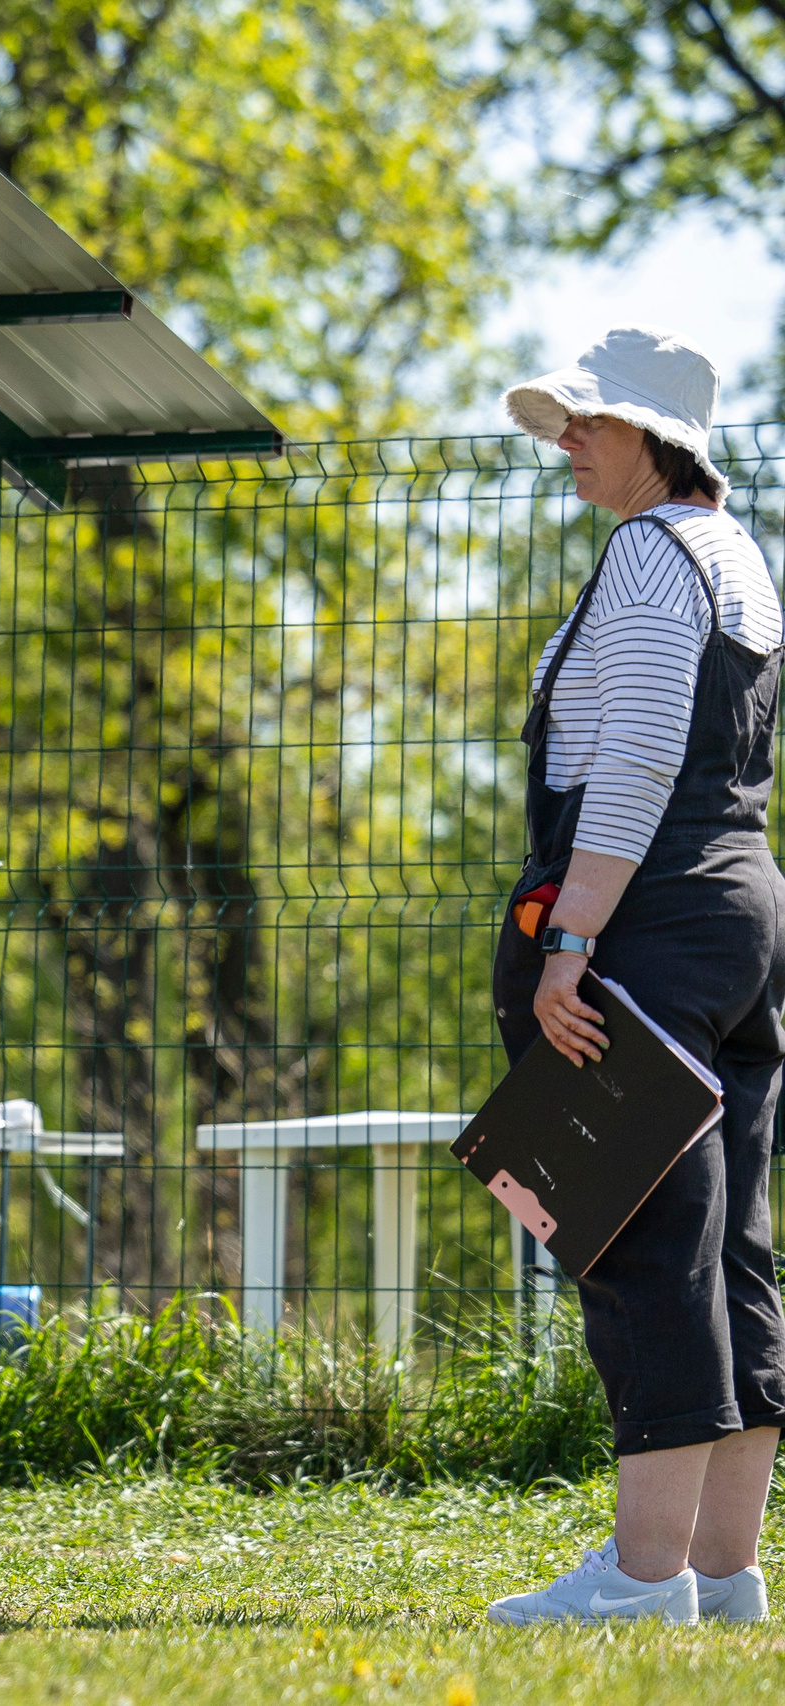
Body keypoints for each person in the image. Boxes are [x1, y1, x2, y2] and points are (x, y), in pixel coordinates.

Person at [485, 327, 785, 1626]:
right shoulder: (736, 553)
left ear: (661, 439)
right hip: (739, 904)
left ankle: (644, 1576)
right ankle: (725, 1575)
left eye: (588, 423)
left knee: (638, 1229)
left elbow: (645, 752)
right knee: (726, 1242)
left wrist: (572, 940)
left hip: (648, 907)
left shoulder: (651, 553)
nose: (567, 441)